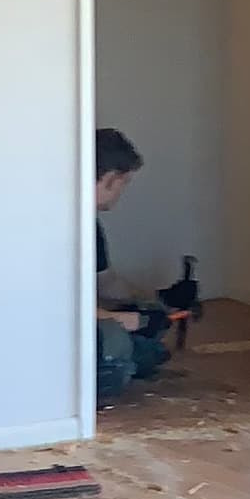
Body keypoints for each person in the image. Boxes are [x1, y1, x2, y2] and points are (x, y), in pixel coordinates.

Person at [94, 129, 171, 403]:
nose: (121, 192)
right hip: (46, 332)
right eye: (124, 183)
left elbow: (107, 283)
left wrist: (151, 301)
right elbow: (55, 306)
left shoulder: (90, 225)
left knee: (146, 345)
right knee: (118, 345)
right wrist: (122, 320)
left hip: (77, 319)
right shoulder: (58, 223)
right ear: (111, 179)